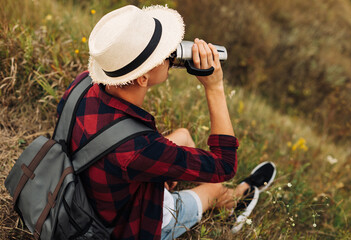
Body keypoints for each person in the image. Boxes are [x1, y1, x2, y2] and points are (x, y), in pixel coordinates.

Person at [57, 5, 276, 240]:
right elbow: (225, 166)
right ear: (142, 78)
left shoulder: (83, 83)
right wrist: (214, 87)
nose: (172, 53)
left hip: (88, 182)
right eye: (165, 54)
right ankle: (233, 200)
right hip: (124, 224)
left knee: (182, 135)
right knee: (213, 187)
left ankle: (188, 175)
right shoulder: (140, 148)